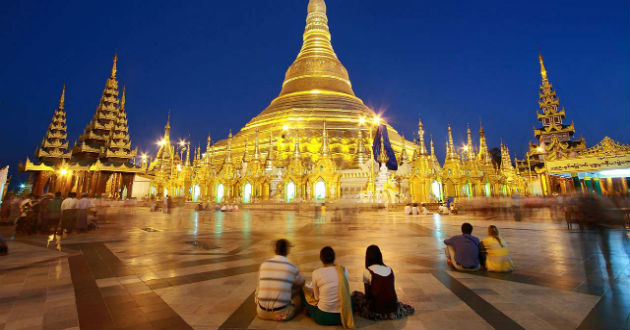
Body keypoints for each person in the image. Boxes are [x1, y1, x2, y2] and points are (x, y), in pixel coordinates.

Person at [351, 245, 414, 320]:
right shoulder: (389, 269)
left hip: (377, 308)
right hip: (393, 306)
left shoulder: (367, 271)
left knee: (355, 296)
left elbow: (367, 294)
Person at [302, 246, 354, 328]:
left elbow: (316, 298)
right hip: (342, 316)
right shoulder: (343, 271)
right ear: (334, 258)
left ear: (321, 259)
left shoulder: (316, 273)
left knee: (303, 292)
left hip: (323, 317)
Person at [255, 239, 305, 321]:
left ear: (275, 250)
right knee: (300, 293)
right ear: (287, 251)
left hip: (261, 312)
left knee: (260, 287)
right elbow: (302, 283)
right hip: (281, 315)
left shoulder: (264, 264)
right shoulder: (291, 267)